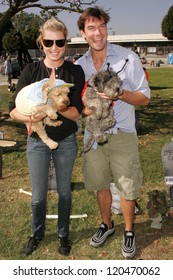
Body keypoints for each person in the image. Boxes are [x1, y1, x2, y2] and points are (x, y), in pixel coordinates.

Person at [75, 6, 150, 259]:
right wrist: (86, 110)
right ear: (83, 33)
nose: (98, 33)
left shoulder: (127, 58)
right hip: (94, 136)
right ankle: (107, 224)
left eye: (102, 27)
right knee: (100, 184)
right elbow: (78, 104)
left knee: (127, 186)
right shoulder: (79, 65)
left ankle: (129, 230)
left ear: (107, 28)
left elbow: (145, 97)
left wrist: (120, 94)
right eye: (92, 28)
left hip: (123, 133)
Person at [10, 18, 85, 256]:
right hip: (36, 141)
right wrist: (33, 116)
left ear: (66, 43)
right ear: (41, 43)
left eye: (60, 42)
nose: (54, 47)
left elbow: (76, 113)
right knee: (38, 195)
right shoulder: (31, 70)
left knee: (64, 191)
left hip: (66, 142)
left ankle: (63, 234)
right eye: (49, 41)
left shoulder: (74, 71)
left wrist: (58, 102)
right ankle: (37, 234)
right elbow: (13, 111)